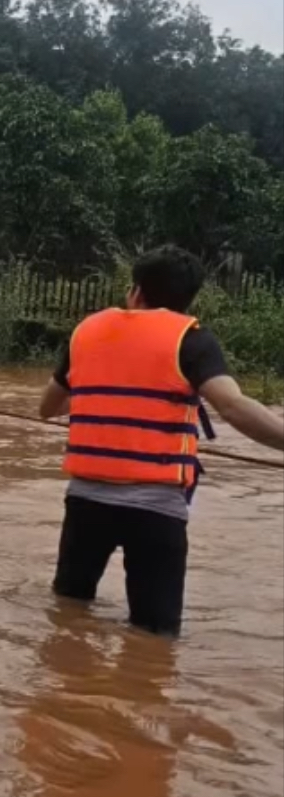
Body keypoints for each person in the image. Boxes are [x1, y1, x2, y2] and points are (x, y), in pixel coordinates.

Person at [39, 245, 284, 637]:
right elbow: (234, 407)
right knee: (155, 635)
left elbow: (48, 408)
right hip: (155, 510)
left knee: (68, 611)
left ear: (135, 291)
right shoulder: (193, 341)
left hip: (85, 502)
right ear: (189, 300)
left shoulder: (85, 333)